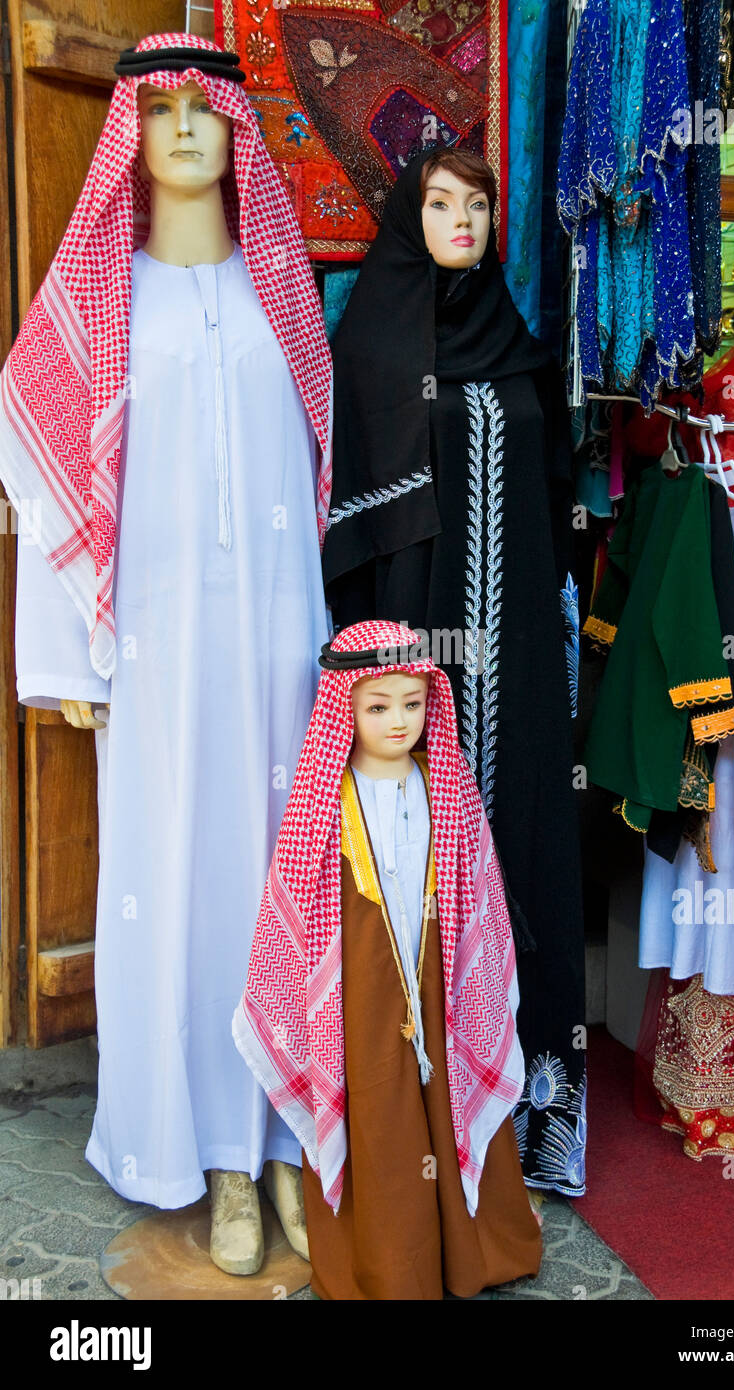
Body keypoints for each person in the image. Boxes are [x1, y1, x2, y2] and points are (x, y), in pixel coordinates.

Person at [0, 32, 332, 1273]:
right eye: (162, 109)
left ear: (237, 134)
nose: (186, 127)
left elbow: (312, 478)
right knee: (171, 887)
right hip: (151, 656)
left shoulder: (282, 303)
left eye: (207, 108)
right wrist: (72, 664)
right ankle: (210, 1164)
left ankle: (288, 1144)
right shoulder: (96, 300)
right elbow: (42, 477)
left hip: (278, 661)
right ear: (130, 134)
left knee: (277, 888)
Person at [321, 147, 587, 1198]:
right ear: (408, 214)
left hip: (513, 658)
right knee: (416, 871)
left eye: (476, 204)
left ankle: (539, 1111)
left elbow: (556, 502)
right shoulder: (374, 346)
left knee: (523, 841)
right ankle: (422, 1124)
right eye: (439, 203)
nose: (461, 219)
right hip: (414, 661)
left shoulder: (520, 351)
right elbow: (353, 522)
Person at [234, 619, 543, 1299]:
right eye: (378, 706)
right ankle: (388, 1267)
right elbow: (297, 914)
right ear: (346, 707)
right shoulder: (325, 802)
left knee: (449, 1101)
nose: (398, 720)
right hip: (360, 999)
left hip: (441, 991)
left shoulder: (448, 790)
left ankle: (467, 1255)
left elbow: (476, 900)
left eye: (412, 703)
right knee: (380, 1119)